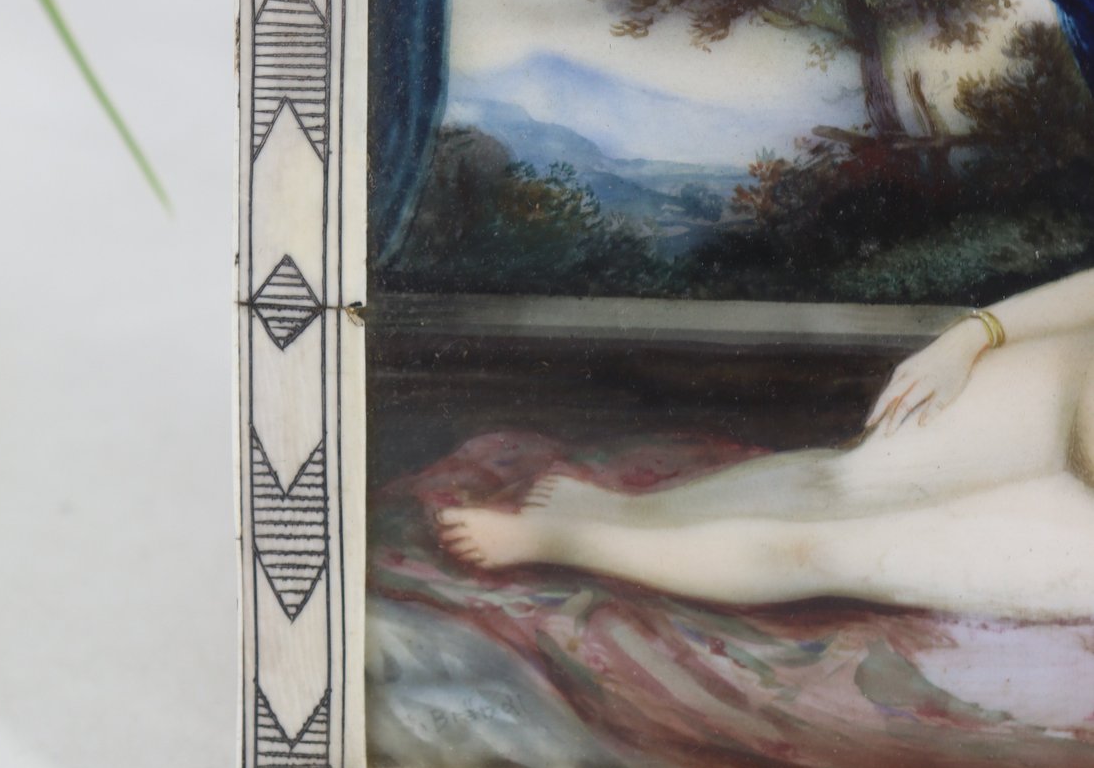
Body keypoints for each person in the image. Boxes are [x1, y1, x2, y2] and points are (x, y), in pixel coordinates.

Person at [436, 268, 1094, 620]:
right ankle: (630, 512)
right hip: (1074, 388)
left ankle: (569, 543)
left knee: (822, 551)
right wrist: (969, 337)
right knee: (845, 479)